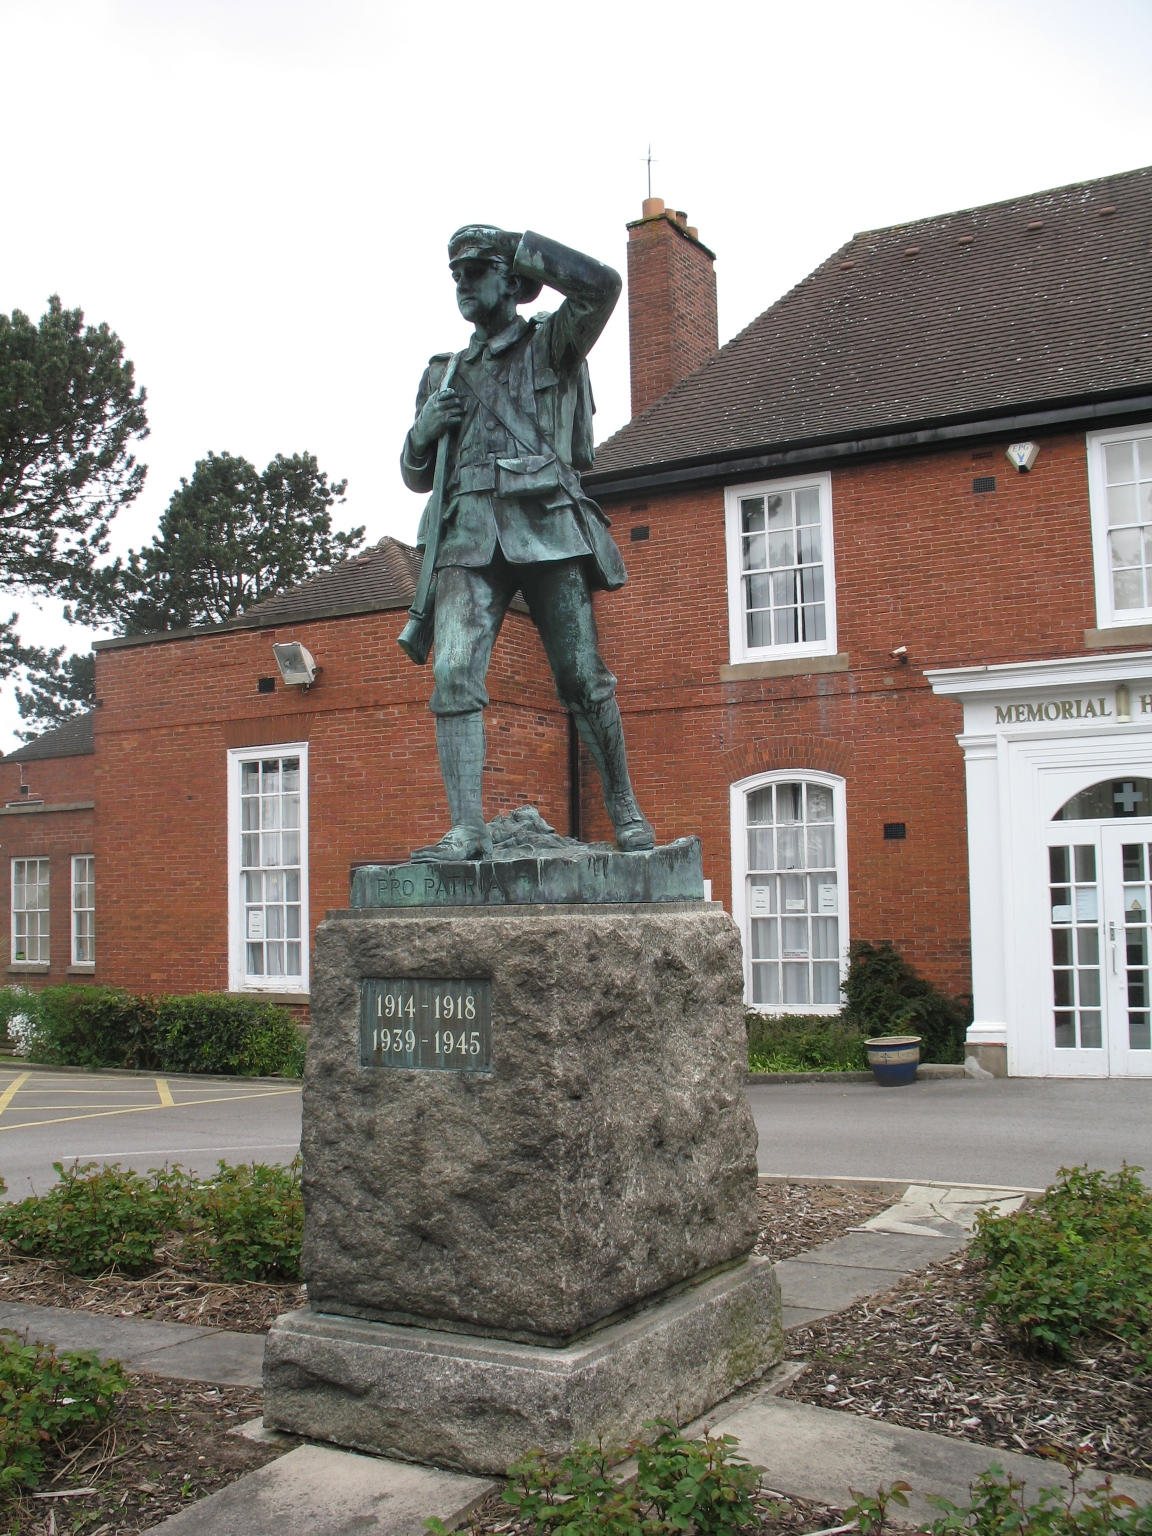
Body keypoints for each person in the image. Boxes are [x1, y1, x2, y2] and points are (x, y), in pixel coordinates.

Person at [400, 225, 655, 862]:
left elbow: (602, 286)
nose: (462, 280)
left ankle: (621, 803)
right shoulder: (443, 373)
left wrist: (517, 244)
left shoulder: (552, 344)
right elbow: (415, 476)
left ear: (511, 279)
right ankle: (468, 830)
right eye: (455, 271)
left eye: (478, 267)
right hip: (468, 535)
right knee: (454, 672)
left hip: (543, 524)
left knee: (580, 677)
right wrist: (422, 431)